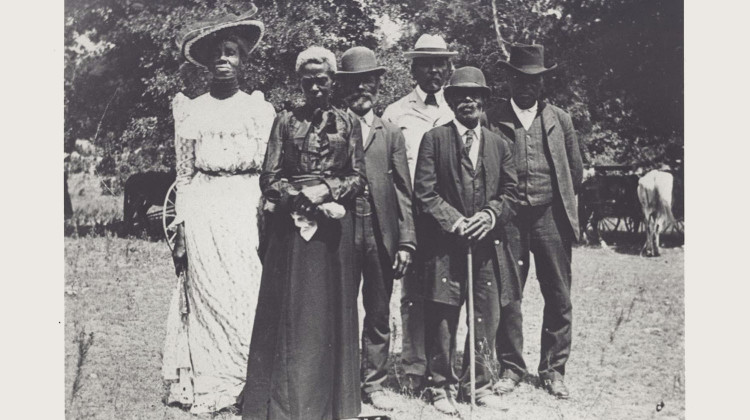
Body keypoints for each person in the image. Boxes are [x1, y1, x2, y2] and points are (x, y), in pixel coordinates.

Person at [240, 46, 366, 420]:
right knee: (289, 313)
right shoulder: (284, 121)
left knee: (328, 315)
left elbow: (357, 178)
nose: (315, 87)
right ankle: (281, 404)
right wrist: (296, 197)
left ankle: (331, 405)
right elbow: (269, 176)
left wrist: (326, 190)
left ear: (333, 82)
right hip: (290, 231)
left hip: (331, 234)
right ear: (300, 82)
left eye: (322, 80)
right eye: (308, 81)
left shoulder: (348, 123)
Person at [161, 9, 276, 414]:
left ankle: (247, 381)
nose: (223, 60)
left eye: (231, 53)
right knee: (208, 294)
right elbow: (185, 174)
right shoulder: (192, 110)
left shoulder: (260, 111)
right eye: (217, 54)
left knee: (245, 292)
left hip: (246, 209)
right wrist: (182, 228)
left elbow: (269, 172)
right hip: (205, 209)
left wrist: (267, 215)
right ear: (207, 62)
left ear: (243, 59)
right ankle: (211, 384)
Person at [413, 67, 520, 414]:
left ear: (485, 101)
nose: (468, 101)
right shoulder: (435, 139)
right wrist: (456, 222)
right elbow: (424, 194)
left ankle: (480, 383)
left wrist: (489, 216)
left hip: (487, 247)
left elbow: (511, 193)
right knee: (443, 315)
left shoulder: (500, 144)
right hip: (445, 246)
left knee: (485, 316)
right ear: (451, 100)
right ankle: (439, 386)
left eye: (475, 95)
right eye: (460, 95)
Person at [486, 43, 584, 399]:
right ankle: (510, 367)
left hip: (550, 218)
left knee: (558, 294)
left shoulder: (561, 119)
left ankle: (554, 370)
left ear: (543, 83)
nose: (527, 86)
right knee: (508, 296)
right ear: (509, 79)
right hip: (508, 219)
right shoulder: (491, 118)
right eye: (520, 78)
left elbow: (575, 171)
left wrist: (554, 203)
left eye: (535, 80)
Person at [335, 46, 416, 410]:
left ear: (378, 86)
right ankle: (341, 379)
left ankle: (374, 382)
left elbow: (403, 189)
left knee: (379, 311)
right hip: (340, 232)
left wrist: (406, 242)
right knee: (340, 307)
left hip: (381, 232)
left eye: (368, 82)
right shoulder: (332, 126)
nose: (361, 90)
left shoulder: (392, 132)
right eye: (354, 83)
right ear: (343, 88)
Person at [380, 34, 456, 393]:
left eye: (440, 63)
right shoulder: (395, 113)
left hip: (446, 218)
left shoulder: (457, 109)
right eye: (426, 63)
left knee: (444, 294)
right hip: (409, 216)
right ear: (413, 67)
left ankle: (443, 366)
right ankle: (412, 368)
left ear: (448, 68)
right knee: (411, 294)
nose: (433, 70)